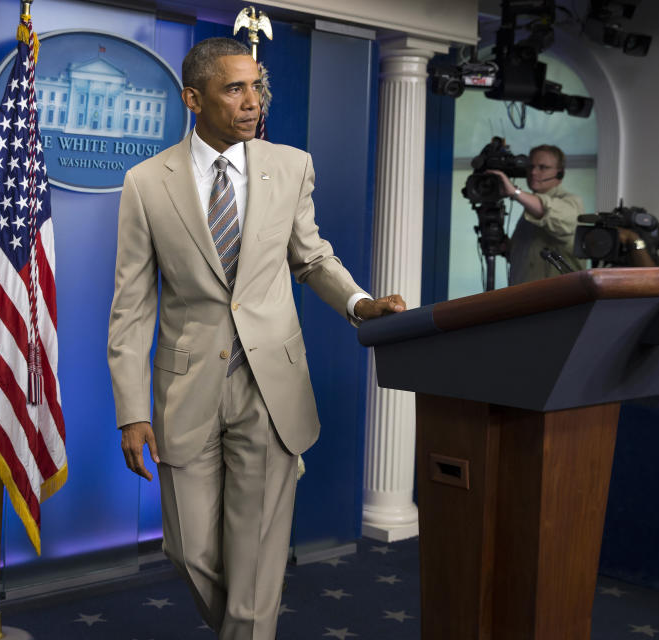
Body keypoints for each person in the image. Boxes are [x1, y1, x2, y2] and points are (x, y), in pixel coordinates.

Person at [107, 37, 404, 640]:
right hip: (185, 387)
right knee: (189, 551)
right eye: (234, 88)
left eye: (257, 87)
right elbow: (132, 304)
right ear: (194, 98)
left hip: (271, 386)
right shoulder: (145, 182)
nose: (252, 101)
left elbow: (311, 256)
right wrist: (130, 410)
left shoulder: (290, 165)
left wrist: (360, 302)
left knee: (258, 559)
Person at [488, 144, 585, 284]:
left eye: (543, 167)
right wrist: (505, 246)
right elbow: (528, 258)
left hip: (559, 301)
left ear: (560, 172)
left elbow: (547, 211)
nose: (533, 172)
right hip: (525, 299)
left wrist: (515, 193)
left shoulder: (571, 203)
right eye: (530, 167)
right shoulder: (530, 207)